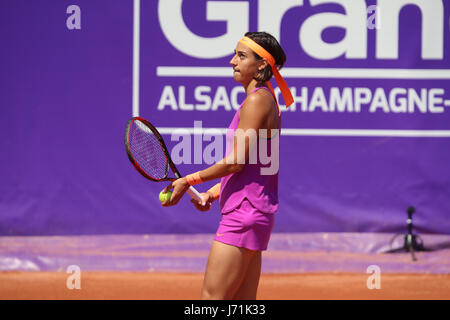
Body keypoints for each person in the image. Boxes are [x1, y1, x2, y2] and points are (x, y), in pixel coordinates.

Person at [161, 31, 293, 300]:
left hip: (243, 215)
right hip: (254, 212)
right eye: (235, 54)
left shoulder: (257, 100)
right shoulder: (264, 99)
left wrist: (188, 180)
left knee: (212, 299)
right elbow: (253, 168)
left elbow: (235, 163)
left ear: (262, 65)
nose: (232, 61)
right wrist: (211, 193)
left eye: (241, 56)